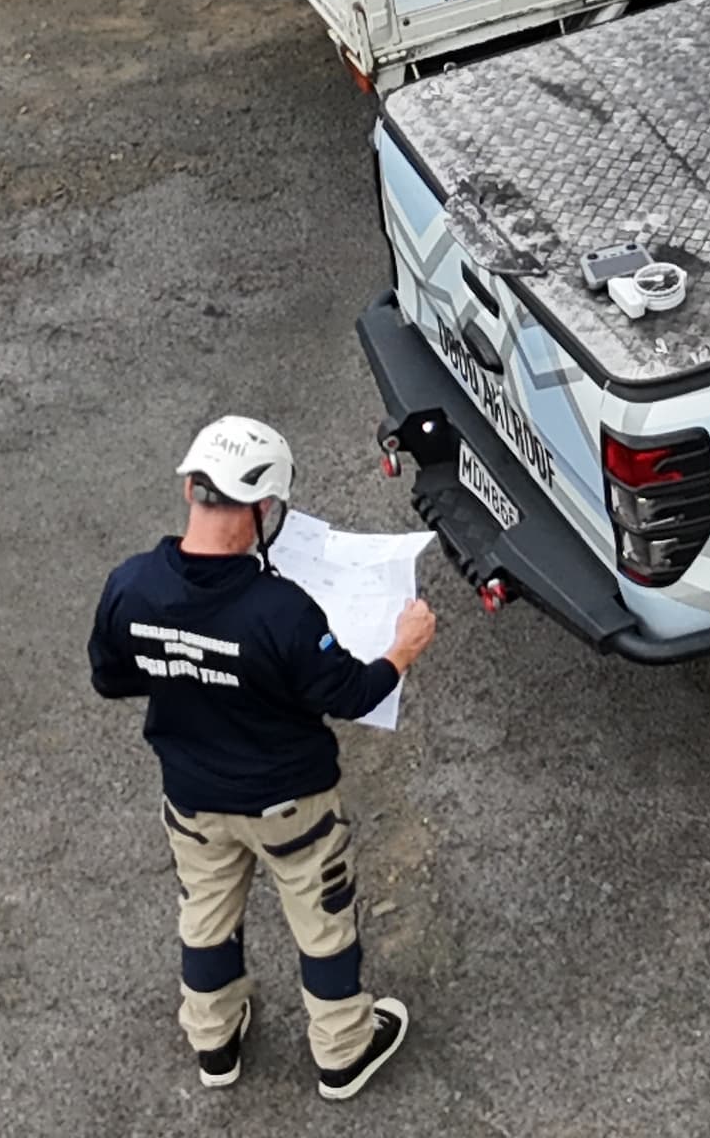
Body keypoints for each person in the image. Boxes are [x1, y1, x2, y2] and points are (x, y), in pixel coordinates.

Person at [89, 416, 437, 1101]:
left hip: (193, 800)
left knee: (205, 916)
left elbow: (112, 678)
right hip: (290, 805)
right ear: (264, 507)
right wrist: (403, 647)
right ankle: (343, 1050)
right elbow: (351, 693)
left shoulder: (130, 586)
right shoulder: (280, 610)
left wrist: (185, 666)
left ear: (191, 487)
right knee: (322, 921)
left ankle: (214, 1042)